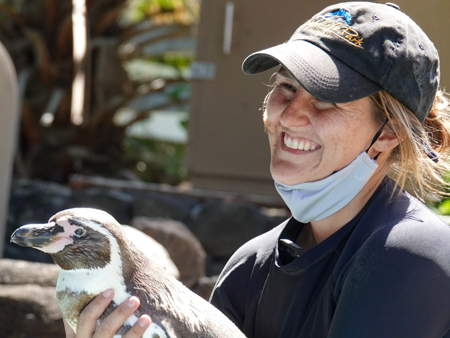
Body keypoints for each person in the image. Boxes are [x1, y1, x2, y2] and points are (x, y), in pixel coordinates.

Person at [65, 1, 450, 337]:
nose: (290, 115)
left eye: (327, 101)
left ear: (390, 133)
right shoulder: (250, 267)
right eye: (286, 87)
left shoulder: (410, 256)